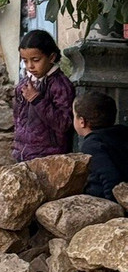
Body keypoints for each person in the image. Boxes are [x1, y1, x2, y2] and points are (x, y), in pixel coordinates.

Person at [12, 29, 76, 161]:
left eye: (35, 60)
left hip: (49, 157)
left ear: (51, 57)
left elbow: (64, 124)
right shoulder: (24, 85)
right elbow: (18, 119)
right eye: (25, 61)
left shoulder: (60, 85)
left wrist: (37, 99)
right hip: (22, 154)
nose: (30, 66)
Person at [73, 90, 128, 200]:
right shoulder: (123, 133)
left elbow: (110, 178)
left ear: (82, 121)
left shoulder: (92, 145)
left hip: (103, 202)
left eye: (74, 115)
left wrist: (114, 210)